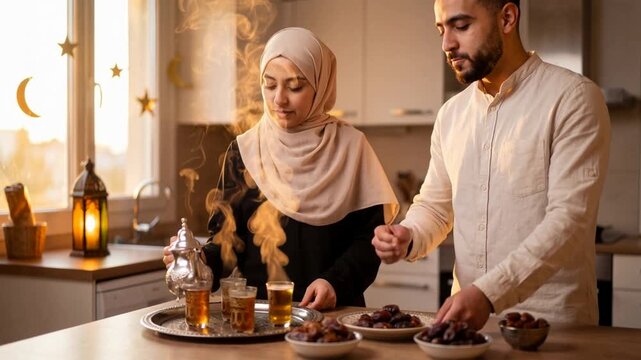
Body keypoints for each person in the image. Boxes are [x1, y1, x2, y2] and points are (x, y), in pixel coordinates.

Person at [371, 0, 610, 330]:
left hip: (550, 329)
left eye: (461, 26)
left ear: (507, 19)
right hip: (467, 328)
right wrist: (408, 234)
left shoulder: (573, 98)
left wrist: (486, 294)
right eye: (442, 30)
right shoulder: (451, 115)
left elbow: (568, 223)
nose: (447, 44)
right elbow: (436, 208)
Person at [163, 27, 399, 310]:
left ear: (320, 85)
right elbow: (228, 242)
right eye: (270, 84)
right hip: (258, 318)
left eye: (295, 86)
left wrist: (335, 283)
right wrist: (200, 261)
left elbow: (368, 241)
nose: (279, 100)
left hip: (334, 315)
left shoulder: (352, 147)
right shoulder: (245, 149)